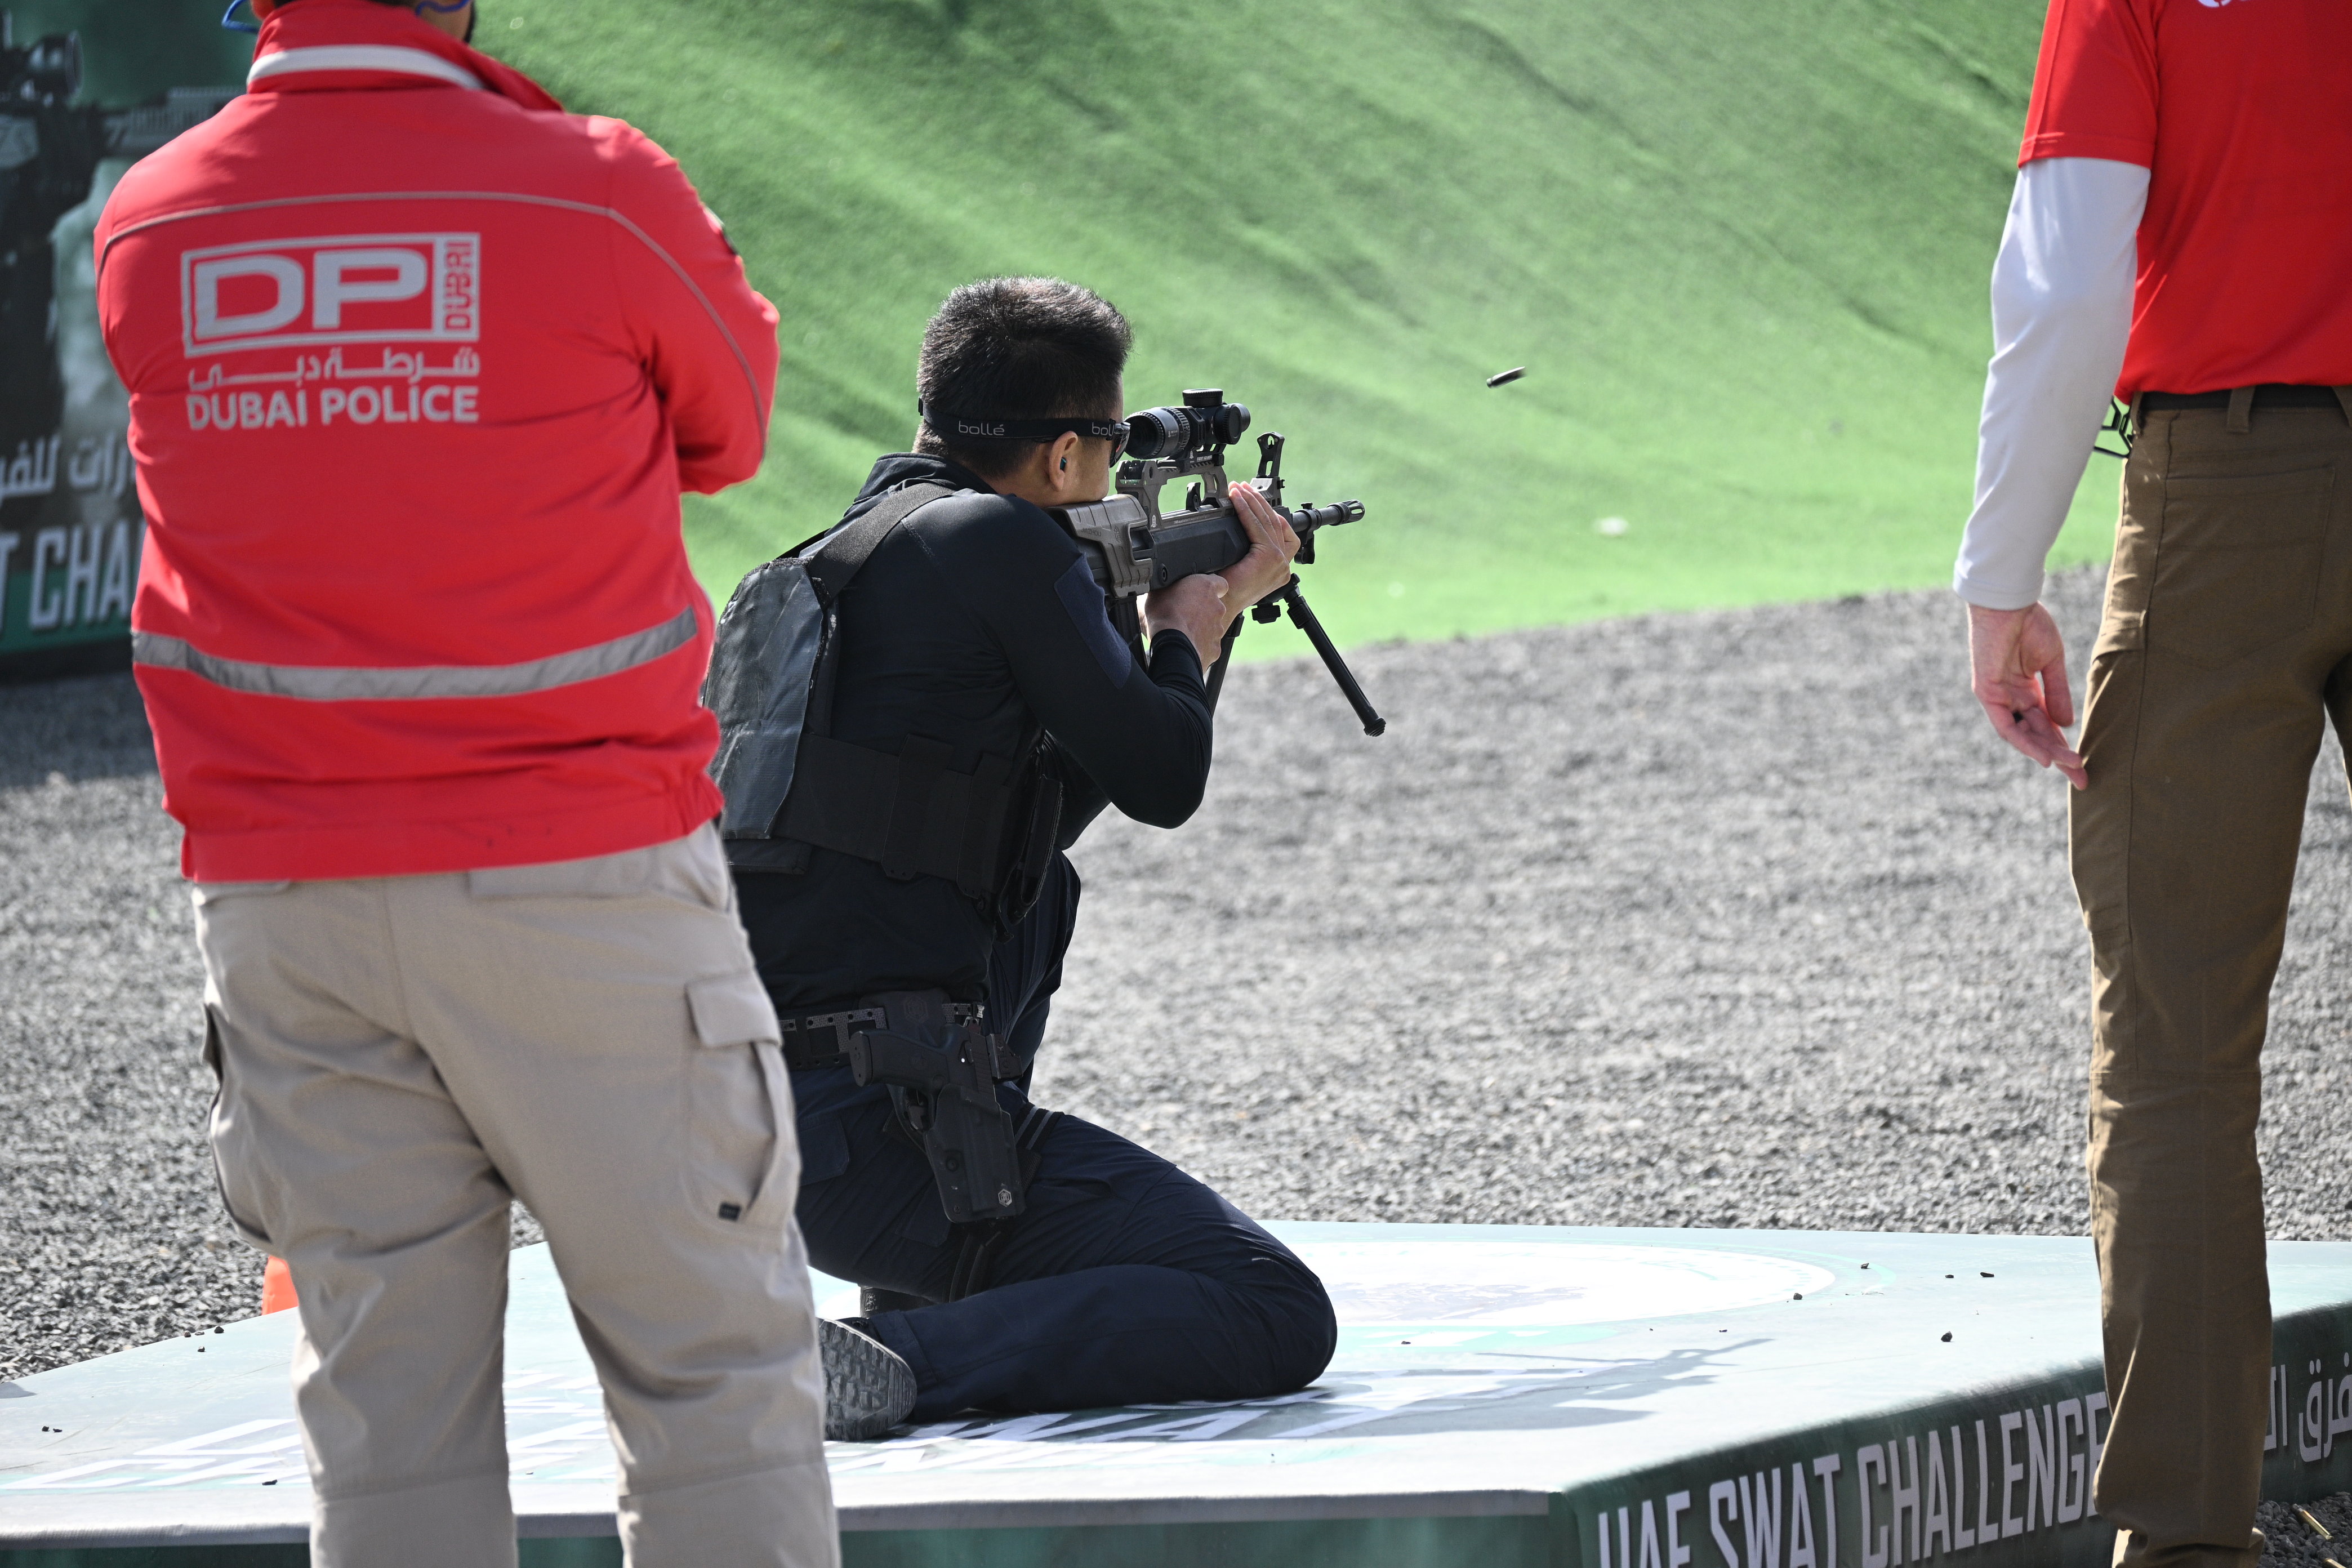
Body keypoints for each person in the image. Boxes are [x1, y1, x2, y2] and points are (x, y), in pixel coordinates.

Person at [95, 2, 838, 1563]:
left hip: (281, 903)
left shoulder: (148, 221)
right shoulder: (598, 185)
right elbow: (732, 427)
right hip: (584, 878)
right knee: (710, 1378)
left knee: (386, 1427)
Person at [725, 276, 1338, 1425]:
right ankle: (880, 1363)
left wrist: (1155, 638)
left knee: (1040, 889)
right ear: (1063, 457)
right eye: (1107, 451)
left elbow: (1018, 833)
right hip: (876, 1129)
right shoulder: (1004, 542)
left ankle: (905, 1310)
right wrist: (1189, 636)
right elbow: (1165, 779)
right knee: (1267, 1304)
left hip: (740, 1114)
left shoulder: (824, 564)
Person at [1954, 7, 2352, 1565]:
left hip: (2222, 500)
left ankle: (2189, 1546)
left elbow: (2067, 284)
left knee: (2175, 1049)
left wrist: (2003, 577)